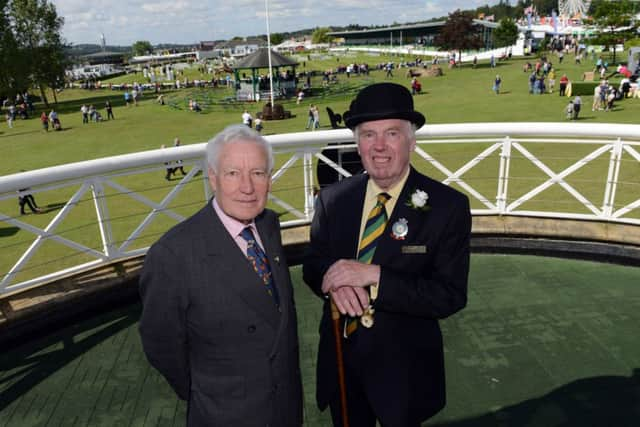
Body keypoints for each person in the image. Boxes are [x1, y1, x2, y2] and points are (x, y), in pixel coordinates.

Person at [303, 83, 471, 427]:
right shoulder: (333, 200)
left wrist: (375, 277)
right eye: (368, 134)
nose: (378, 146)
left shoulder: (447, 207)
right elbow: (313, 263)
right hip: (342, 364)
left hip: (404, 374)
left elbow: (449, 295)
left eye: (391, 133)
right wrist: (335, 279)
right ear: (357, 142)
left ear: (411, 140)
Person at [140, 124, 303, 426]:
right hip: (225, 415)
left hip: (285, 409)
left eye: (258, 173)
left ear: (270, 179)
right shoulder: (173, 255)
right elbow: (161, 345)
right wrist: (210, 391)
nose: (247, 187)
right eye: (232, 173)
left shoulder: (268, 226)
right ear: (212, 178)